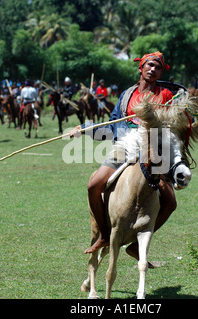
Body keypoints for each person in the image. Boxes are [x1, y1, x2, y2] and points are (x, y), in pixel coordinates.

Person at [69, 51, 178, 260]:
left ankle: (137, 246)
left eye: (158, 67)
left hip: (153, 150)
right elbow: (111, 127)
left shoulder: (165, 95)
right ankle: (103, 234)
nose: (153, 69)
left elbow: (172, 124)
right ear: (141, 68)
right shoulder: (127, 95)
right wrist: (84, 128)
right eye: (150, 65)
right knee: (94, 185)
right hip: (124, 147)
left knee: (170, 202)